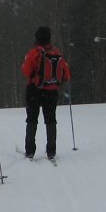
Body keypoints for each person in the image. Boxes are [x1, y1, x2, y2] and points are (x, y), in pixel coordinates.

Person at [20, 25, 71, 161]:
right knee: (51, 120)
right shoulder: (57, 53)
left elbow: (25, 71)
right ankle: (51, 151)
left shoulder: (33, 53)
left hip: (34, 90)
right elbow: (66, 74)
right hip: (51, 91)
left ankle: (30, 151)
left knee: (32, 119)